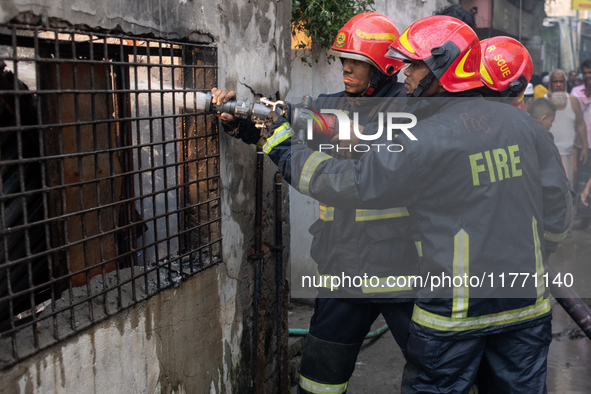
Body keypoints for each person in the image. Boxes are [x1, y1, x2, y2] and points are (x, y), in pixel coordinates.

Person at [226, 15, 571, 392]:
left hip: (440, 304)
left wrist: (279, 145)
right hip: (522, 305)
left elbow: (345, 182)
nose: (406, 72)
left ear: (444, 67)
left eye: (415, 64)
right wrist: (251, 121)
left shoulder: (422, 135)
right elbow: (557, 215)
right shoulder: (526, 129)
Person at [213, 13, 416, 394]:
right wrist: (240, 120)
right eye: (344, 60)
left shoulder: (409, 111)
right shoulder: (330, 104)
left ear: (384, 66)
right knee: (319, 379)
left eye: (358, 62)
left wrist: (286, 136)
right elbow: (287, 123)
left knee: (436, 372)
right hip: (342, 268)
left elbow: (345, 159)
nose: (347, 69)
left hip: (399, 272)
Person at [547, 69, 589, 187]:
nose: (559, 85)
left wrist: (585, 148)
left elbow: (580, 124)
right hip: (548, 156)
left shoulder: (573, 101)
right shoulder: (543, 101)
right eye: (555, 82)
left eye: (561, 81)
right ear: (550, 84)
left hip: (569, 155)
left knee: (569, 189)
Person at [569, 59, 591, 230]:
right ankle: (584, 217)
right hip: (582, 144)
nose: (589, 76)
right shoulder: (577, 91)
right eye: (586, 72)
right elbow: (576, 117)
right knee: (582, 181)